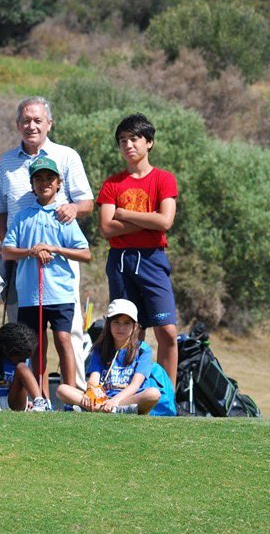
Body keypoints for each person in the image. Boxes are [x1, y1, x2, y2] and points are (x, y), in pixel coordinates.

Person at [0, 97, 94, 388]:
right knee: (26, 336)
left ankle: (74, 396)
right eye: (26, 120)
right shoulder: (6, 162)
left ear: (49, 123)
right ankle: (32, 397)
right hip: (21, 261)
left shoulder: (67, 156)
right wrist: (15, 250)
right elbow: (0, 210)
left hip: (60, 265)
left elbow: (87, 201)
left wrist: (74, 208)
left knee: (69, 334)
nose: (31, 125)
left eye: (38, 120)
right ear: (17, 125)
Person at [0, 157, 91, 408]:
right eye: (38, 179)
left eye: (49, 178)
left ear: (59, 183)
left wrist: (54, 248)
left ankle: (71, 397)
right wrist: (31, 251)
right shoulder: (23, 217)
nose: (44, 183)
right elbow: (7, 250)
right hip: (30, 293)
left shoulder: (64, 216)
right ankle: (42, 399)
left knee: (64, 340)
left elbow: (85, 254)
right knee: (36, 347)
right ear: (32, 185)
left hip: (60, 292)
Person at [97, 114, 179, 384]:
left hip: (153, 260)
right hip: (120, 261)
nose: (128, 145)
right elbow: (107, 228)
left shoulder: (164, 179)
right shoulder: (112, 183)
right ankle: (128, 392)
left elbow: (165, 221)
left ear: (149, 143)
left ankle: (166, 395)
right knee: (129, 330)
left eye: (134, 139)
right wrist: (147, 221)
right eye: (122, 141)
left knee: (166, 330)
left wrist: (124, 213)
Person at [56, 299, 161, 415]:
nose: (121, 328)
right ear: (108, 324)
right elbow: (93, 380)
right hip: (102, 399)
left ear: (135, 326)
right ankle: (114, 410)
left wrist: (115, 401)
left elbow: (135, 385)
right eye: (116, 322)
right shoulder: (100, 348)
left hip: (128, 398)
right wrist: (90, 392)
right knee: (62, 389)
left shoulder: (143, 350)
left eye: (126, 323)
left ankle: (101, 409)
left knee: (153, 394)